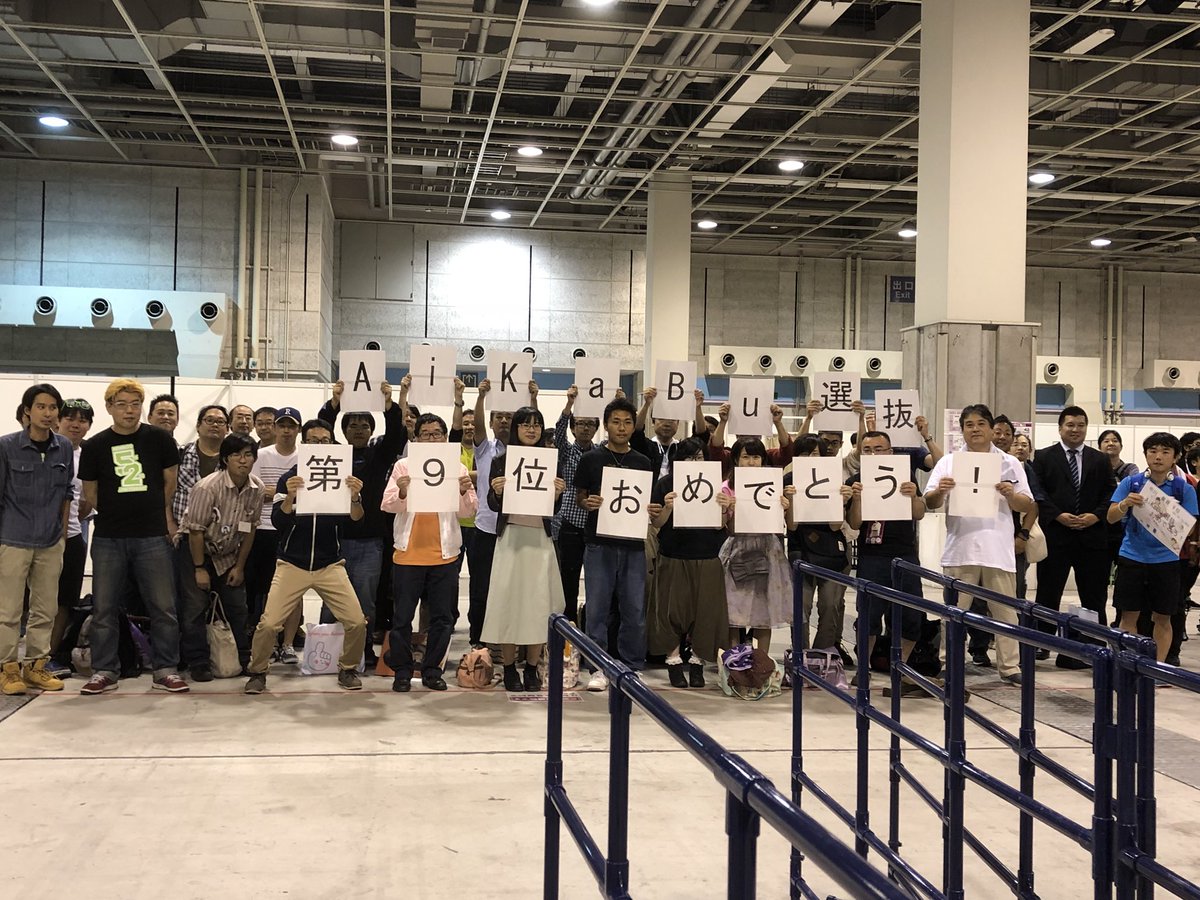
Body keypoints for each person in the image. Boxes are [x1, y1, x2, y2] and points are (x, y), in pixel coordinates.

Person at [78, 378, 188, 694]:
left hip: (152, 535)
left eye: (135, 404)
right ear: (109, 407)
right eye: (122, 404)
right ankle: (104, 670)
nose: (129, 410)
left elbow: (170, 483)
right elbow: (90, 493)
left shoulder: (160, 440)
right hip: (109, 537)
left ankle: (166, 669)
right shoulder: (94, 446)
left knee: (163, 607)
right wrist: (119, 512)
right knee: (104, 608)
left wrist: (149, 511)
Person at [244, 420, 369, 694]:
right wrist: (290, 497)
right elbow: (278, 521)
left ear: (332, 444)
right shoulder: (290, 477)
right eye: (313, 441)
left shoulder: (342, 478)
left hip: (330, 565)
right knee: (268, 624)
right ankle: (258, 672)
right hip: (292, 564)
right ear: (304, 443)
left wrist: (355, 497)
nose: (319, 445)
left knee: (357, 621)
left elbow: (356, 521)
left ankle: (347, 668)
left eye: (325, 441)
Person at [924, 404, 1036, 687]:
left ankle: (1010, 667)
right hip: (961, 549)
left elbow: (1026, 504)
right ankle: (950, 663)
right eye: (969, 425)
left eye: (981, 424)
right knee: (953, 613)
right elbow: (929, 501)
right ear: (962, 430)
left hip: (998, 549)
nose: (975, 429)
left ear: (991, 428)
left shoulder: (1009, 462)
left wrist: (1011, 495)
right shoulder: (949, 462)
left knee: (1005, 613)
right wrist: (941, 491)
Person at [315, 376, 407, 668]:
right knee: (331, 601)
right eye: (352, 425)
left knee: (365, 602)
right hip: (335, 541)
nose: (358, 429)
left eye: (364, 425)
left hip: (370, 543)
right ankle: (325, 654)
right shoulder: (332, 455)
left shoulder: (379, 456)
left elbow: (396, 434)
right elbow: (322, 427)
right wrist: (334, 403)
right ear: (343, 431)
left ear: (371, 430)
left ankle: (363, 650)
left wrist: (389, 404)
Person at [380, 413, 476, 692]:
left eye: (437, 434)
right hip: (408, 554)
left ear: (446, 438)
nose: (432, 439)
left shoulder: (457, 468)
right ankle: (402, 671)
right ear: (416, 438)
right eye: (426, 434)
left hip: (444, 555)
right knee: (402, 619)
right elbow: (387, 505)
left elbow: (469, 511)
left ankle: (433, 670)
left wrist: (463, 491)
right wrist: (401, 492)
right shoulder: (403, 466)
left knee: (443, 619)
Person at [575, 396, 655, 691]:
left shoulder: (643, 462)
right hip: (599, 543)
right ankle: (597, 666)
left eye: (627, 422)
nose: (621, 427)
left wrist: (652, 510)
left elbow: (647, 502)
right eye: (616, 422)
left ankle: (631, 665)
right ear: (606, 425)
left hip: (633, 544)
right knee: (597, 609)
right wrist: (588, 503)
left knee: (634, 609)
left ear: (634, 426)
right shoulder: (591, 459)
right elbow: (580, 497)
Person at [484, 406, 566, 692]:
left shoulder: (551, 462)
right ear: (515, 428)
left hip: (540, 539)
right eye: (525, 424)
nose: (532, 430)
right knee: (509, 603)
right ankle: (508, 668)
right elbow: (493, 504)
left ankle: (532, 668)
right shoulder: (502, 461)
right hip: (511, 539)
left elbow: (554, 509)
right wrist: (497, 491)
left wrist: (558, 494)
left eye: (536, 425)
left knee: (538, 604)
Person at [0, 383, 75, 695]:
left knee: (45, 610)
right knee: (8, 611)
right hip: (13, 539)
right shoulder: (6, 446)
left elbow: (67, 492)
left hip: (50, 541)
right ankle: (7, 669)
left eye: (53, 407)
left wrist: (61, 534)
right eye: (41, 407)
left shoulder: (64, 447)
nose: (47, 413)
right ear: (27, 411)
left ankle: (35, 667)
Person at [1031, 406, 1116, 668]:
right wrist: (1058, 515)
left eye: (1080, 425)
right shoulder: (1044, 457)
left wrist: (1095, 516)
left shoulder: (1099, 459)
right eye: (1070, 425)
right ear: (1060, 428)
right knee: (1048, 593)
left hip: (1092, 538)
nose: (1075, 430)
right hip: (1056, 536)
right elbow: (1038, 493)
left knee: (1094, 595)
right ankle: (1042, 643)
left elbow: (1110, 493)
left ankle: (1094, 643)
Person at [846, 430, 929, 697]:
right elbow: (855, 523)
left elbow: (919, 513)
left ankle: (900, 669)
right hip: (872, 555)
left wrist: (914, 495)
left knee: (911, 616)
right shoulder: (856, 481)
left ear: (890, 452)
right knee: (868, 616)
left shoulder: (905, 476)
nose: (873, 454)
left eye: (879, 449)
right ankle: (863, 667)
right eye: (867, 450)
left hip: (905, 554)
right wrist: (857, 499)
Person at [178, 434, 264, 677]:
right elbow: (195, 531)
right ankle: (198, 663)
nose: (243, 460)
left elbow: (250, 530)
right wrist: (199, 568)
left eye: (248, 455)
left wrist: (239, 567)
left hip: (228, 553)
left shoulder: (256, 489)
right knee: (195, 607)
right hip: (195, 550)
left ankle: (243, 658)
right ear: (226, 459)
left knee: (237, 606)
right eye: (236, 455)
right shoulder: (207, 487)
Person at [1108, 433, 1198, 663]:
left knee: (1163, 617)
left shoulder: (1183, 488)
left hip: (1166, 561)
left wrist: (1171, 515)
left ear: (1176, 457)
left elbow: (1190, 529)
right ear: (1145, 454)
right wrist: (1125, 504)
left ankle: (1157, 667)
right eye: (1153, 451)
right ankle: (1128, 664)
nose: (1158, 457)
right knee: (1128, 615)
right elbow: (1110, 517)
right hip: (1131, 557)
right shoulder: (1131, 483)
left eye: (1165, 452)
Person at [648, 435, 728, 688]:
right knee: (670, 611)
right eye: (688, 457)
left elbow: (722, 525)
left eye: (699, 457)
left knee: (705, 613)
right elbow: (656, 523)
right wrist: (667, 507)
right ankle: (673, 661)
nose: (694, 462)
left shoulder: (715, 485)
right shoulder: (665, 484)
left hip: (707, 555)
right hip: (673, 554)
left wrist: (724, 508)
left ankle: (697, 662)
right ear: (678, 460)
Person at [469, 378, 539, 648]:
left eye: (509, 417)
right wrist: (481, 397)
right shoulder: (485, 449)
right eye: (498, 417)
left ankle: (510, 642)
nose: (503, 421)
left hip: (515, 529)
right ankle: (478, 642)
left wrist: (533, 399)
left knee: (511, 589)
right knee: (481, 589)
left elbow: (534, 423)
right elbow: (476, 425)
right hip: (486, 528)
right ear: (491, 422)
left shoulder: (527, 453)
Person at [718, 437, 795, 658]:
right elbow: (727, 527)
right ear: (736, 459)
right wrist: (728, 509)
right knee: (734, 610)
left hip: (768, 549)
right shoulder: (726, 487)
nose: (751, 462)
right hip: (737, 548)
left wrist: (787, 506)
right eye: (746, 457)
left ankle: (761, 662)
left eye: (756, 457)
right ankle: (734, 661)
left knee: (764, 610)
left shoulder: (774, 484)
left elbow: (789, 526)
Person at [172, 404, 231, 679]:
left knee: (227, 602)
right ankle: (197, 660)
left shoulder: (233, 460)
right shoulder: (180, 455)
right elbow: (167, 492)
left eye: (220, 421)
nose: (215, 425)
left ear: (227, 428)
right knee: (192, 603)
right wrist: (171, 528)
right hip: (186, 538)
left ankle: (228, 657)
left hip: (223, 544)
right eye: (209, 420)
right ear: (198, 425)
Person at [787, 434, 852, 652]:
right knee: (801, 606)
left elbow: (835, 526)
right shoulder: (788, 480)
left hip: (830, 550)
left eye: (815, 453)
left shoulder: (834, 480)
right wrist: (791, 499)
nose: (810, 458)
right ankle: (800, 655)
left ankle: (823, 655)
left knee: (831, 605)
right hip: (800, 550)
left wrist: (842, 502)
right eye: (804, 454)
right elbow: (792, 526)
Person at [246, 405, 301, 660]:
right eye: (282, 425)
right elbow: (253, 491)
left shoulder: (305, 457)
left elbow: (305, 494)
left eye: (291, 426)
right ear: (275, 428)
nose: (286, 430)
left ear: (298, 430)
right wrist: (282, 493)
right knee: (261, 590)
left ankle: (288, 643)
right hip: (262, 528)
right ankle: (265, 643)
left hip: (293, 529)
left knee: (294, 591)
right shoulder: (260, 455)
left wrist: (274, 492)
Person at [49, 398, 94, 676]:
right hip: (38, 538)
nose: (76, 424)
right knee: (29, 602)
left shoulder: (88, 456)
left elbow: (88, 500)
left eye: (82, 420)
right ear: (58, 421)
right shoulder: (45, 450)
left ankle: (48, 657)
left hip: (74, 537)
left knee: (65, 601)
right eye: (70, 418)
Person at [553, 386, 598, 623]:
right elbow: (558, 433)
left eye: (590, 424)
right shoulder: (566, 452)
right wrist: (569, 404)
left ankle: (589, 625)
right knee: (567, 580)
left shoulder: (601, 453)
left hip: (594, 523)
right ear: (573, 427)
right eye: (580, 423)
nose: (585, 428)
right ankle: (567, 626)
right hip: (569, 523)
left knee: (595, 580)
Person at [1099, 429, 1140, 589]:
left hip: (1124, 526)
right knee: (1099, 575)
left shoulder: (1130, 468)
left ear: (1121, 446)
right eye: (1106, 441)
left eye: (1115, 440)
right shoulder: (1095, 467)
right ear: (1099, 446)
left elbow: (1133, 489)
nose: (1111, 443)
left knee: (1125, 575)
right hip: (1100, 526)